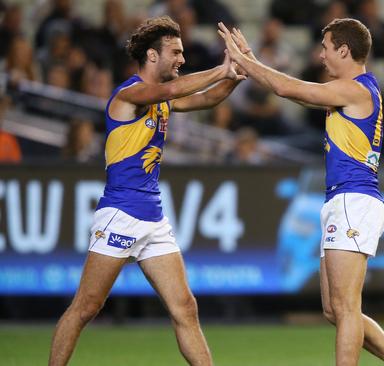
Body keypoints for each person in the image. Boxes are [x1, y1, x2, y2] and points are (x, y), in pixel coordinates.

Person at [218, 19, 384, 366]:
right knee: (335, 309)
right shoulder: (349, 91)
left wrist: (246, 63)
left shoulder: (356, 89)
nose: (321, 55)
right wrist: (253, 60)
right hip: (343, 201)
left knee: (346, 307)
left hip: (353, 201)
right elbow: (298, 93)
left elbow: (290, 90)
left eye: (326, 47)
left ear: (344, 50)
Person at [49, 16, 245, 366]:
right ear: (152, 57)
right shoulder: (130, 93)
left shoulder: (162, 97)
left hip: (153, 218)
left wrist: (236, 73)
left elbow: (208, 99)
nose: (182, 59)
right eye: (176, 52)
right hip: (121, 214)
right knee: (86, 307)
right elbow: (172, 90)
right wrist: (222, 67)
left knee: (185, 307)